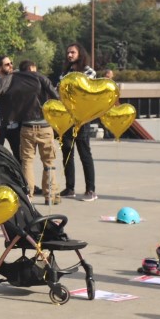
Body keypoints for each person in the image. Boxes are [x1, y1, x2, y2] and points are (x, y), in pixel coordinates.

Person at [0, 60, 60, 204]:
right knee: (49, 162)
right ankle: (50, 195)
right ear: (32, 68)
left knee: (27, 162)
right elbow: (56, 97)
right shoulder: (41, 78)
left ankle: (28, 195)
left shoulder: (11, 79)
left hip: (26, 126)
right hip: (45, 126)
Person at [59, 43, 98, 201]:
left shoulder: (89, 72)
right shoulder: (65, 73)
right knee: (67, 153)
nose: (69, 55)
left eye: (72, 52)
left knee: (84, 153)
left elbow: (85, 92)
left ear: (80, 54)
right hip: (66, 118)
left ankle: (90, 190)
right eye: (68, 52)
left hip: (82, 118)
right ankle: (70, 188)